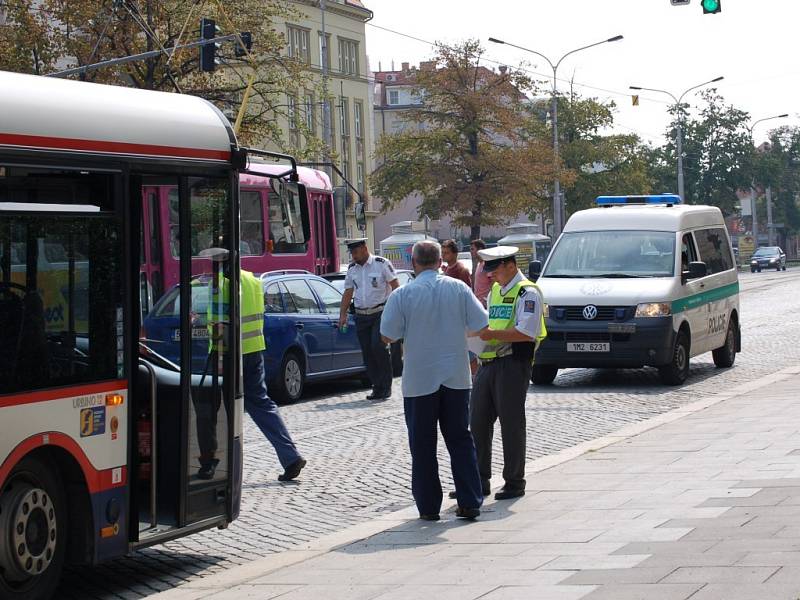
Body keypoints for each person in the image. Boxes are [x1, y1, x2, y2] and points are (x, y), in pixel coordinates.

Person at [380, 240, 488, 521]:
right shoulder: (459, 288)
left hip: (419, 379)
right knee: (460, 439)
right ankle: (470, 500)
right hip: (455, 375)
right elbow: (481, 324)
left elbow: (387, 334)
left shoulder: (403, 295)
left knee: (422, 444)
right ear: (441, 262)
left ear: (413, 263)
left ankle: (428, 507)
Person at [203, 248, 306, 482]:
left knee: (219, 411)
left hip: (229, 354)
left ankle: (220, 467)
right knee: (261, 404)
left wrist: (218, 356)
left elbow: (220, 323)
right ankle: (291, 456)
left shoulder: (220, 284)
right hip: (254, 351)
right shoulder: (253, 280)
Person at [470, 245, 547, 500]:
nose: (491, 275)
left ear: (511, 266)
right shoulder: (495, 290)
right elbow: (490, 322)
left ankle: (514, 481)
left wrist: (490, 335)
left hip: (513, 364)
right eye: (489, 270)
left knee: (511, 425)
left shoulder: (528, 293)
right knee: (478, 423)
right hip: (487, 363)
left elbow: (525, 332)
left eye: (495, 269)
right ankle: (479, 481)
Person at [338, 238, 399, 400]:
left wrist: (394, 310)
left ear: (365, 248)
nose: (354, 256)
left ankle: (386, 386)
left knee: (378, 347)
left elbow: (395, 286)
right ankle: (377, 386)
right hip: (361, 315)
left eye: (356, 252)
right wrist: (342, 314)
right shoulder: (352, 269)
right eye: (352, 253)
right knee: (367, 352)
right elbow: (348, 292)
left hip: (380, 312)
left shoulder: (381, 264)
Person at [470, 239, 492, 308]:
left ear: (480, 249)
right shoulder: (479, 264)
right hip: (478, 303)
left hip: (485, 305)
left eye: (472, 249)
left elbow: (493, 282)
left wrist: (488, 299)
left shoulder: (487, 264)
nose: (470, 252)